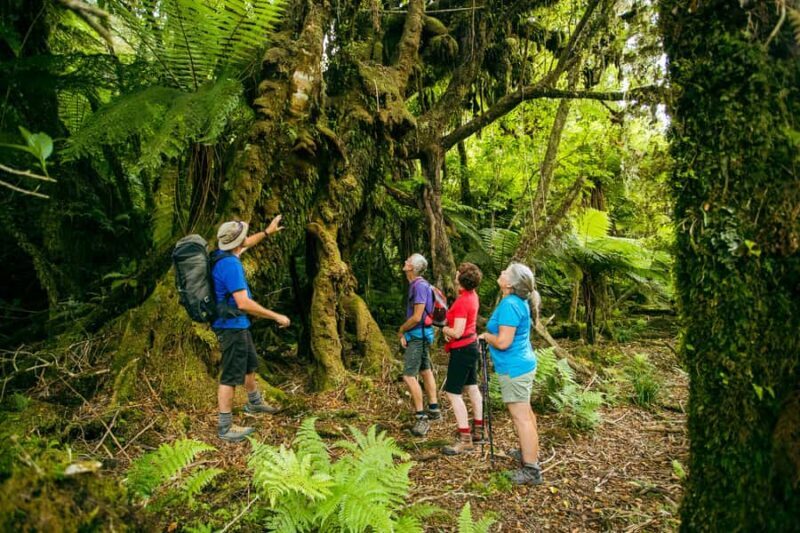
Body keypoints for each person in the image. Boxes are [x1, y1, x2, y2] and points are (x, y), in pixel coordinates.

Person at [212, 216, 291, 443]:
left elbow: (246, 244)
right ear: (237, 242)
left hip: (238, 325)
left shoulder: (223, 254)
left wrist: (267, 232)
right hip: (230, 327)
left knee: (249, 364)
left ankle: (254, 403)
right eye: (244, 236)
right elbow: (243, 303)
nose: (246, 239)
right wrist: (276, 316)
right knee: (229, 376)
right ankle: (225, 427)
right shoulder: (231, 265)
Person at [478, 262, 543, 485]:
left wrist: (486, 337)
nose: (501, 272)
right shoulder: (517, 302)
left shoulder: (510, 305)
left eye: (505, 272)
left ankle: (531, 469)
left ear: (510, 283)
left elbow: (503, 342)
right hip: (521, 364)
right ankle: (529, 452)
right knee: (525, 413)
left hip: (514, 367)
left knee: (521, 416)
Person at [441, 262, 484, 455]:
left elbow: (457, 332)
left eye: (457, 273)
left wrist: (444, 329)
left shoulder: (462, 301)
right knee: (472, 388)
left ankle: (465, 438)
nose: (455, 275)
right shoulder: (473, 296)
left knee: (453, 393)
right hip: (471, 346)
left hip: (462, 349)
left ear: (461, 279)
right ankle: (478, 429)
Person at [397, 253, 440, 436]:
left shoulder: (419, 286)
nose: (405, 262)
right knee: (425, 369)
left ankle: (421, 417)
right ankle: (434, 408)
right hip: (422, 334)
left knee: (408, 375)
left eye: (408, 261)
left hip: (417, 336)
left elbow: (417, 316)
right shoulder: (418, 285)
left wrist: (401, 330)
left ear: (412, 268)